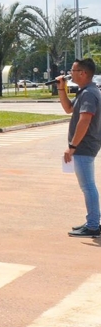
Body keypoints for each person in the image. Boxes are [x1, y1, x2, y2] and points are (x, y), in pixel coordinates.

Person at [60, 59, 101, 237]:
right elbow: (68, 109)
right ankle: (92, 220)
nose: (70, 73)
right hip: (84, 145)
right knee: (87, 186)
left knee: (88, 186)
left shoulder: (89, 94)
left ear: (83, 73)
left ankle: (93, 226)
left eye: (73, 70)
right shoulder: (84, 92)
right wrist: (61, 88)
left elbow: (85, 120)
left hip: (84, 146)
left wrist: (72, 146)